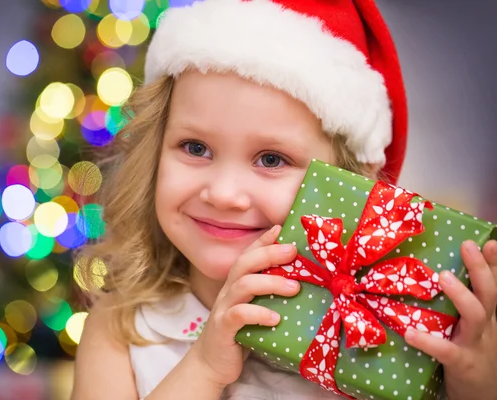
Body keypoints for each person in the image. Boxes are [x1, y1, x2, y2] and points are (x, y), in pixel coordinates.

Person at [73, 0, 497, 399]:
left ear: (348, 182)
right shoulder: (120, 328)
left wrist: (472, 386)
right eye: (195, 148)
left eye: (271, 159)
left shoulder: (384, 337)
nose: (223, 194)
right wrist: (203, 366)